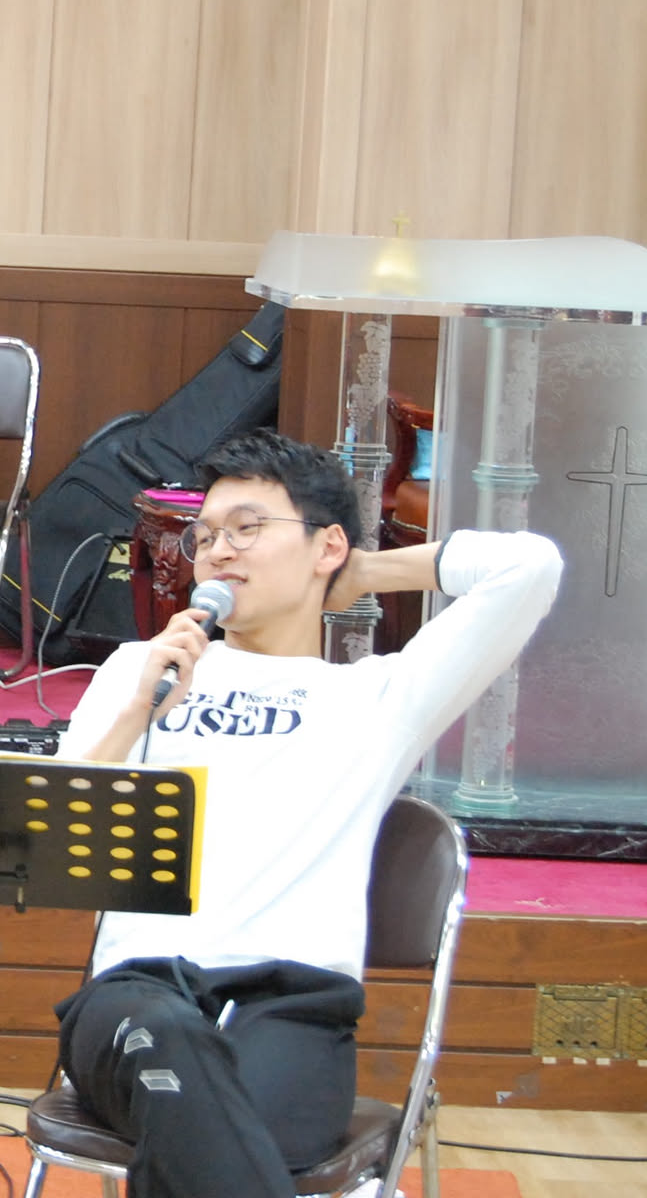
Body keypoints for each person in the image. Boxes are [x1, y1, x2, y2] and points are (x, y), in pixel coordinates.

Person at [51, 428, 561, 1198]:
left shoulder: (378, 699)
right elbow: (54, 837)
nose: (218, 552)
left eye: (247, 528)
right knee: (178, 1059)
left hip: (292, 1009)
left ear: (325, 545)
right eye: (205, 536)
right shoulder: (139, 671)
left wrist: (367, 570)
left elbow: (531, 567)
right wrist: (134, 714)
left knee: (208, 1126)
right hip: (137, 998)